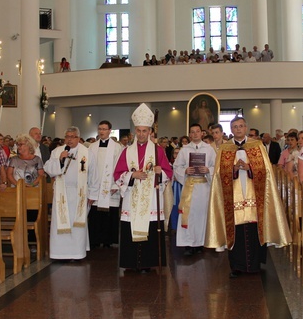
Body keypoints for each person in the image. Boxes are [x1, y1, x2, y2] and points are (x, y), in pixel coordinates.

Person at [206, 116, 291, 277]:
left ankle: (254, 265)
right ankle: (237, 266)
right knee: (236, 230)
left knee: (253, 229)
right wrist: (234, 169)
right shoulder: (225, 148)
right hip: (233, 196)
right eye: (235, 127)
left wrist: (249, 167)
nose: (238, 129)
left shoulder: (257, 145)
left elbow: (266, 171)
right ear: (231, 130)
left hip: (253, 195)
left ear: (246, 128)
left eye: (241, 126)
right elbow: (218, 173)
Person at [113, 103, 173, 272]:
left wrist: (161, 172)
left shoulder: (158, 151)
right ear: (134, 132)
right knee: (130, 227)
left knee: (151, 228)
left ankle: (148, 263)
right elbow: (117, 174)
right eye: (138, 131)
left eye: (144, 131)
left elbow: (168, 172)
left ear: (150, 132)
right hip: (132, 196)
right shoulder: (126, 151)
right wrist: (132, 175)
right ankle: (131, 263)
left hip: (151, 199)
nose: (141, 134)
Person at [44, 127, 97, 261]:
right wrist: (60, 160)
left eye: (73, 136)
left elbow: (93, 174)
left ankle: (76, 253)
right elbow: (49, 169)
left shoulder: (87, 152)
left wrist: (92, 194)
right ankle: (59, 253)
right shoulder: (57, 151)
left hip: (80, 193)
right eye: (67, 136)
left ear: (78, 138)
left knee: (76, 224)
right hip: (62, 193)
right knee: (61, 222)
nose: (69, 139)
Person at [173, 123, 215, 256]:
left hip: (204, 188)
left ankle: (202, 243)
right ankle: (189, 243)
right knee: (189, 215)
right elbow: (176, 167)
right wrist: (185, 170)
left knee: (202, 215)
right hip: (190, 186)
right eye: (192, 132)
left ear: (202, 133)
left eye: (197, 131)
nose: (195, 134)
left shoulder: (209, 149)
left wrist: (209, 170)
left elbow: (216, 167)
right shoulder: (184, 150)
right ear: (189, 134)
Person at [87, 120, 122, 249]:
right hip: (96, 185)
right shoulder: (92, 147)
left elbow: (119, 166)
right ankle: (95, 239)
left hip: (110, 185)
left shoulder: (117, 147)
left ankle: (108, 240)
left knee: (109, 213)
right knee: (96, 214)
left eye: (104, 129)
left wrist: (115, 185)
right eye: (100, 129)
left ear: (109, 131)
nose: (101, 131)